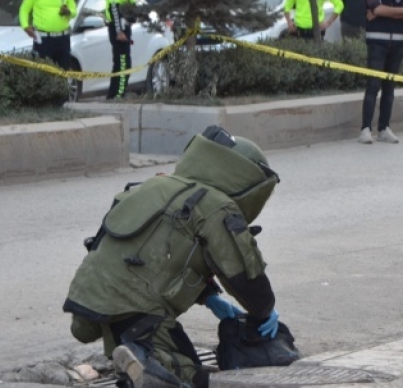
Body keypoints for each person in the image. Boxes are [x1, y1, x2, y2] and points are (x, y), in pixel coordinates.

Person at [64, 125, 281, 388]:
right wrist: (263, 311)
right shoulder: (216, 206)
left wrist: (210, 297)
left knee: (143, 343)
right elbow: (243, 272)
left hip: (89, 298)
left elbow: (164, 253)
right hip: (136, 307)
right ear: (247, 179)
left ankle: (133, 357)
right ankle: (146, 360)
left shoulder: (155, 184)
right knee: (187, 374)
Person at [359, 0, 403, 145]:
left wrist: (383, 12)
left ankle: (384, 128)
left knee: (389, 88)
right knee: (373, 86)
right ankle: (365, 129)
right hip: (377, 43)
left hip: (397, 43)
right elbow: (376, 8)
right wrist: (395, 12)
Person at [19, 0, 77, 70]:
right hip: (43, 39)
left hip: (63, 39)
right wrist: (25, 26)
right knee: (43, 74)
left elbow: (74, 12)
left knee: (63, 72)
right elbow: (24, 9)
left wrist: (68, 11)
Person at [105, 0, 137, 99]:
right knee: (123, 64)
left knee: (123, 63)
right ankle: (117, 95)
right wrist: (119, 31)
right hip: (119, 29)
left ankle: (116, 94)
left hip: (125, 27)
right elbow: (114, 8)